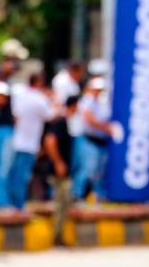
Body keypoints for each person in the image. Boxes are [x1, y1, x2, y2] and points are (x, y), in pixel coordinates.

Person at [7, 72, 55, 209]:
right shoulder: (39, 99)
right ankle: (18, 205)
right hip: (29, 144)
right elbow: (51, 115)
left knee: (14, 175)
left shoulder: (20, 94)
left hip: (16, 141)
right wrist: (54, 100)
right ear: (39, 83)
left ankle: (12, 203)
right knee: (22, 177)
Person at [43, 95, 79, 243]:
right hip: (58, 171)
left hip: (64, 170)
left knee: (65, 203)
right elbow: (50, 141)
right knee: (60, 202)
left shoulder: (68, 122)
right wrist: (58, 162)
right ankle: (55, 236)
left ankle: (59, 235)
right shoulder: (61, 122)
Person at [72, 77, 113, 201]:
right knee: (87, 169)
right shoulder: (87, 100)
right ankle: (77, 195)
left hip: (100, 141)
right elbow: (89, 118)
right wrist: (106, 128)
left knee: (98, 171)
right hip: (88, 140)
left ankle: (96, 196)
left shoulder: (100, 102)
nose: (97, 92)